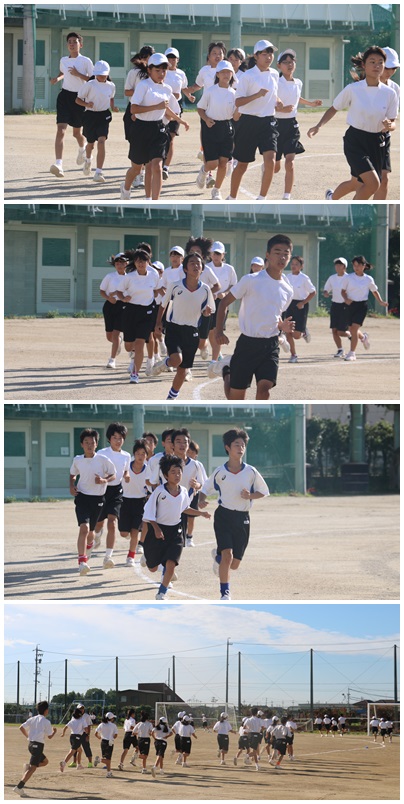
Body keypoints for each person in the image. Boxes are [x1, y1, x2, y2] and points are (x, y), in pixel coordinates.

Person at [307, 46, 398, 200]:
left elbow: (393, 122)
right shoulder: (353, 89)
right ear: (364, 65)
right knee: (373, 184)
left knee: (362, 184)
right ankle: (352, 210)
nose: (377, 65)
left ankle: (333, 200)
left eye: (380, 62)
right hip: (355, 140)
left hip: (377, 142)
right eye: (372, 62)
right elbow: (334, 108)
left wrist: (390, 126)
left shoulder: (391, 93)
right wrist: (318, 126)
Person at [214, 234, 295, 400]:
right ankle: (226, 371)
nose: (282, 257)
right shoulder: (251, 280)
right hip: (248, 344)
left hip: (270, 345)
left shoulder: (288, 289)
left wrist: (282, 327)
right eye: (277, 252)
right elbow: (224, 303)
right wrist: (219, 331)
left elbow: (275, 316)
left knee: (264, 389)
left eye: (286, 254)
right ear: (268, 255)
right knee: (236, 399)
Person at [199, 428, 269, 601]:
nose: (241, 448)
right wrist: (201, 500)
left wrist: (250, 496)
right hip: (223, 516)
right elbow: (205, 488)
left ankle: (218, 557)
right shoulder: (220, 472)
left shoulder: (251, 471)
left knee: (235, 564)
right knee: (228, 556)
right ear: (227, 448)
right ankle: (225, 593)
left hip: (243, 518)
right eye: (237, 444)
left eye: (243, 445)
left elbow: (263, 491)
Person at [141, 454, 211, 599]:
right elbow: (149, 513)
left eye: (179, 472)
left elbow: (185, 508)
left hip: (176, 532)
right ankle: (154, 562)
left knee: (172, 563)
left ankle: (162, 592)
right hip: (158, 530)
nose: (177, 475)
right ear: (166, 475)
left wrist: (201, 513)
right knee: (152, 567)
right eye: (173, 472)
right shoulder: (159, 491)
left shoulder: (183, 491)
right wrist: (156, 528)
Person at [120, 53, 189, 200]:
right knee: (137, 168)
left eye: (164, 70)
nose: (161, 74)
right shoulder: (143, 86)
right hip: (140, 129)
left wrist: (180, 120)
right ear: (149, 70)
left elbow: (167, 108)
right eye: (157, 70)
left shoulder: (167, 89)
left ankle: (152, 200)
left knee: (156, 166)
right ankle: (125, 188)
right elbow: (134, 109)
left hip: (158, 129)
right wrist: (156, 107)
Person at [153, 253, 215, 400]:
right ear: (185, 268)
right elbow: (163, 304)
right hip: (174, 328)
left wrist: (206, 312)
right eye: (192, 263)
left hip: (192, 331)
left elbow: (207, 311)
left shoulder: (206, 289)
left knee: (182, 371)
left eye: (198, 263)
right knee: (176, 360)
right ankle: (165, 363)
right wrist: (158, 323)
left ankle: (171, 398)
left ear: (202, 269)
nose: (196, 265)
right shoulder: (175, 285)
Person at [228, 40, 280, 200]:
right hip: (248, 122)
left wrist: (278, 102)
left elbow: (274, 95)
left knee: (271, 160)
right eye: (264, 54)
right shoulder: (248, 76)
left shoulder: (275, 74)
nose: (269, 57)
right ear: (256, 56)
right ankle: (232, 198)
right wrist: (257, 95)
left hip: (268, 122)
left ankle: (262, 198)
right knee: (242, 165)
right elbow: (238, 102)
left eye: (271, 54)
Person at [275, 49, 322, 199]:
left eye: (292, 62)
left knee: (290, 163)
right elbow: (269, 100)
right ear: (279, 65)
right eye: (285, 62)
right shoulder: (276, 82)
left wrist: (311, 104)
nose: (289, 65)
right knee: (275, 167)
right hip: (275, 125)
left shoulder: (298, 83)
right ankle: (268, 166)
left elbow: (297, 98)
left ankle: (286, 196)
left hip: (291, 126)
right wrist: (280, 108)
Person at [69, 428, 116, 575]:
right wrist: (72, 485)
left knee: (91, 533)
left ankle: (89, 545)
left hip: (98, 498)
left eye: (92, 442)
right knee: (84, 528)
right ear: (81, 444)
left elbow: (113, 475)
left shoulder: (103, 460)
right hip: (82, 497)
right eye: (86, 442)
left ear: (96, 444)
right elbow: (72, 474)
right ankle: (82, 562)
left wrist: (104, 480)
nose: (89, 445)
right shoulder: (78, 460)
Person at [49, 32, 93, 178]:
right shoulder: (63, 60)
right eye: (69, 42)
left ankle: (82, 148)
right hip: (64, 97)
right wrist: (58, 78)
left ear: (81, 44)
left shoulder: (85, 61)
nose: (72, 44)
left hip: (79, 98)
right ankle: (59, 164)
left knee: (77, 133)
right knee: (61, 130)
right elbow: (64, 72)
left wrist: (78, 74)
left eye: (75, 41)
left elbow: (93, 80)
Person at [116, 248, 160, 383]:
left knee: (140, 343)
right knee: (129, 346)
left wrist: (155, 296)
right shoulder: (129, 277)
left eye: (143, 261)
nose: (141, 264)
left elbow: (156, 290)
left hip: (147, 312)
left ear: (148, 262)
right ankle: (130, 348)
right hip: (130, 311)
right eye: (138, 261)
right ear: (134, 263)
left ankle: (135, 374)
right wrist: (123, 298)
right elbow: (118, 292)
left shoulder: (154, 275)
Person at [196, 60, 236, 200]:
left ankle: (216, 190)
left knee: (223, 162)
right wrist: (206, 119)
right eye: (223, 72)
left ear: (232, 74)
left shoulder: (234, 94)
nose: (226, 75)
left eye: (228, 72)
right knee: (213, 164)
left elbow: (236, 115)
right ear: (217, 74)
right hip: (211, 127)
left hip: (227, 128)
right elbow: (200, 108)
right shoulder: (210, 91)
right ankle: (204, 170)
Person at [93, 423, 131, 566]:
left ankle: (108, 557)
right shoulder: (102, 453)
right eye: (115, 437)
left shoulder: (126, 456)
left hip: (116, 491)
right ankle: (97, 535)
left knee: (112, 522)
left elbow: (126, 470)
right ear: (109, 439)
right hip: (102, 490)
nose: (118, 441)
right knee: (98, 523)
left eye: (120, 438)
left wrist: (127, 475)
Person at [75, 60, 118, 183]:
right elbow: (78, 100)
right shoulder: (89, 85)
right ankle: (88, 160)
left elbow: (111, 98)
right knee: (90, 144)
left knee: (102, 141)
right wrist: (86, 104)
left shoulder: (111, 86)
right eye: (99, 74)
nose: (102, 76)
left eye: (104, 74)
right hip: (90, 115)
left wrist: (113, 107)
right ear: (95, 74)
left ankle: (98, 172)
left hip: (104, 115)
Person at [341, 255, 389, 361]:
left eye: (358, 265)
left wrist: (381, 302)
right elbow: (343, 291)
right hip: (350, 305)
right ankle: (363, 337)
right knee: (351, 329)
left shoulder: (368, 279)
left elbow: (374, 291)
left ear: (364, 266)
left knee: (354, 329)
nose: (356, 267)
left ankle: (352, 353)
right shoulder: (348, 278)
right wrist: (346, 299)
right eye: (354, 265)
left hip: (361, 306)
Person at [123, 45, 155, 190]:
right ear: (142, 58)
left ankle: (145, 175)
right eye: (149, 58)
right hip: (133, 110)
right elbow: (127, 92)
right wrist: (141, 91)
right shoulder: (134, 72)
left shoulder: (154, 73)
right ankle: (138, 175)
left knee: (149, 146)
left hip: (149, 112)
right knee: (135, 145)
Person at [163, 47, 195, 181]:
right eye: (169, 58)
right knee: (161, 137)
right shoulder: (161, 72)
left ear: (178, 60)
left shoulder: (181, 74)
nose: (171, 61)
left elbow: (184, 88)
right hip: (162, 108)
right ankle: (158, 161)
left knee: (171, 137)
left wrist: (189, 96)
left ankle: (166, 167)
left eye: (173, 58)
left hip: (176, 107)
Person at [13, 701, 57, 797]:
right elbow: (50, 736)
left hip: (31, 745)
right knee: (33, 769)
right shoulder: (46, 722)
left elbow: (21, 727)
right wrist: (54, 731)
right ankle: (19, 787)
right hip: (38, 746)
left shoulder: (32, 719)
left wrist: (28, 736)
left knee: (45, 762)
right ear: (46, 710)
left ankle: (29, 767)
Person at [205, 241, 238, 363]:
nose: (216, 256)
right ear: (210, 254)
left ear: (223, 255)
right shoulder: (206, 267)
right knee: (210, 331)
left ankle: (214, 360)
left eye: (219, 254)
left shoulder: (229, 269)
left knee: (217, 329)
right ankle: (217, 352)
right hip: (209, 301)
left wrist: (225, 293)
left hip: (223, 302)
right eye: (214, 253)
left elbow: (234, 284)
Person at [119, 438, 148, 566]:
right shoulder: (126, 467)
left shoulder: (148, 469)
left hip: (140, 502)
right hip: (125, 501)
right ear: (134, 454)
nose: (140, 456)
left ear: (146, 455)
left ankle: (130, 557)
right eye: (138, 453)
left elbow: (152, 484)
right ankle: (128, 535)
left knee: (135, 531)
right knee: (124, 533)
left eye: (143, 454)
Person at [282, 256, 316, 363]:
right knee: (288, 331)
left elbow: (313, 292)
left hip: (301, 305)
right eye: (292, 264)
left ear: (301, 266)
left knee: (296, 335)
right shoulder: (287, 277)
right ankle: (293, 355)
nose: (293, 266)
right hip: (289, 304)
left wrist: (303, 303)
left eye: (296, 264)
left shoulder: (304, 278)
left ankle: (303, 331)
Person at [100, 252, 129, 369]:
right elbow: (102, 291)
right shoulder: (110, 276)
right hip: (109, 305)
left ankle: (112, 359)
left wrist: (125, 299)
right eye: (117, 263)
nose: (119, 265)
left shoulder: (130, 277)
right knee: (109, 336)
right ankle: (118, 342)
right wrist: (108, 298)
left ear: (126, 264)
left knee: (116, 333)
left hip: (122, 306)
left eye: (122, 263)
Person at [323, 257, 352, 358]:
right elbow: (326, 289)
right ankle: (340, 350)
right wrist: (326, 293)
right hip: (335, 305)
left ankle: (351, 335)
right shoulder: (332, 278)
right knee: (334, 330)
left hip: (346, 306)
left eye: (340, 265)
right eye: (336, 265)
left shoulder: (349, 278)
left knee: (341, 332)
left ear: (344, 267)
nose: (337, 266)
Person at [185, 440, 207, 547]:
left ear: (196, 454)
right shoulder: (178, 463)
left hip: (193, 494)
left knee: (191, 517)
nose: (189, 454)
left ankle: (189, 536)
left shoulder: (198, 465)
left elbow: (203, 482)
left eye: (192, 452)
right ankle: (182, 535)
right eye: (188, 451)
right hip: (181, 495)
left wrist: (196, 485)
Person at [94, 712, 118, 777]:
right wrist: (112, 737)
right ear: (111, 718)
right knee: (108, 759)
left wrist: (99, 737)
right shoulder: (113, 725)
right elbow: (115, 735)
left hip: (103, 742)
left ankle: (109, 772)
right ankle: (99, 760)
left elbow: (95, 733)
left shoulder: (102, 724)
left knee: (107, 758)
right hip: (110, 742)